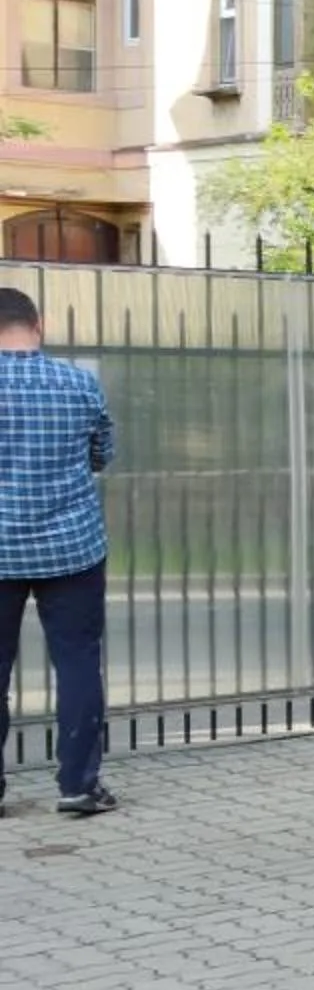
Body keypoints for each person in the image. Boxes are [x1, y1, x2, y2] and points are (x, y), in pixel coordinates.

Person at [0, 286, 117, 818]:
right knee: (76, 663)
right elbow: (102, 453)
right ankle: (78, 785)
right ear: (38, 324)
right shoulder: (78, 383)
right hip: (71, 549)